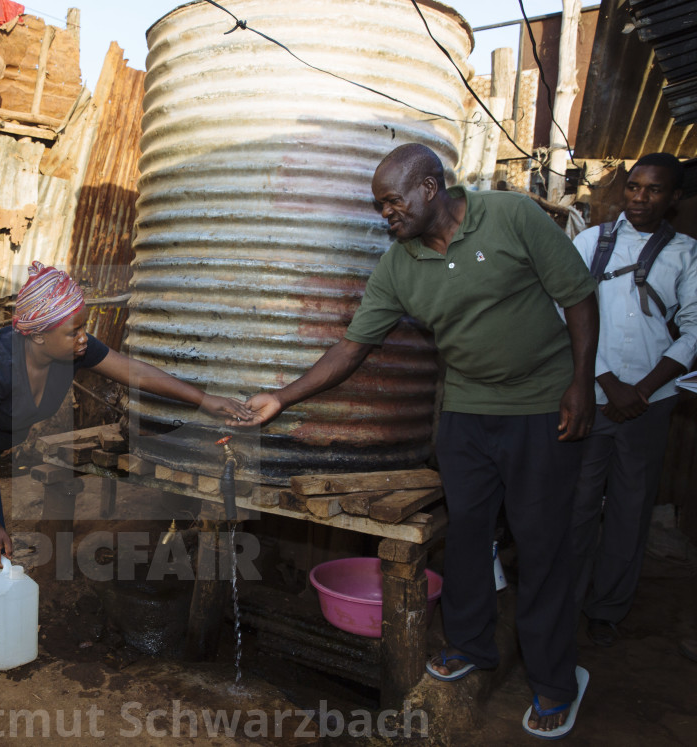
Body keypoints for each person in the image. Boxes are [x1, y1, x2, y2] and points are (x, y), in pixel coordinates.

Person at [232, 143, 599, 737]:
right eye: (380, 206)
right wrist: (284, 396)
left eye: (392, 202)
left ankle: (557, 680)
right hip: (465, 412)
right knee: (469, 536)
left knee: (539, 545)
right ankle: (475, 646)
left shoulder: (512, 217)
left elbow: (579, 296)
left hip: (540, 406)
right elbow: (353, 347)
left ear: (431, 187)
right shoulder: (398, 264)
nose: (386, 215)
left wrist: (581, 382)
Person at [0, 261, 254, 634]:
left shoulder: (73, 351)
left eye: (84, 328)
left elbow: (135, 372)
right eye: (74, 331)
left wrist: (202, 399)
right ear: (38, 336)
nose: (83, 338)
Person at [569, 152, 696, 647]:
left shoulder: (686, 254)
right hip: (591, 396)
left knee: (629, 507)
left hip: (650, 403)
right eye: (635, 187)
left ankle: (607, 609)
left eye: (655, 190)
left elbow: (692, 332)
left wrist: (639, 390)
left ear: (675, 198)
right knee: (577, 505)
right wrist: (604, 380)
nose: (641, 198)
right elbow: (565, 314)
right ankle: (567, 597)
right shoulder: (589, 243)